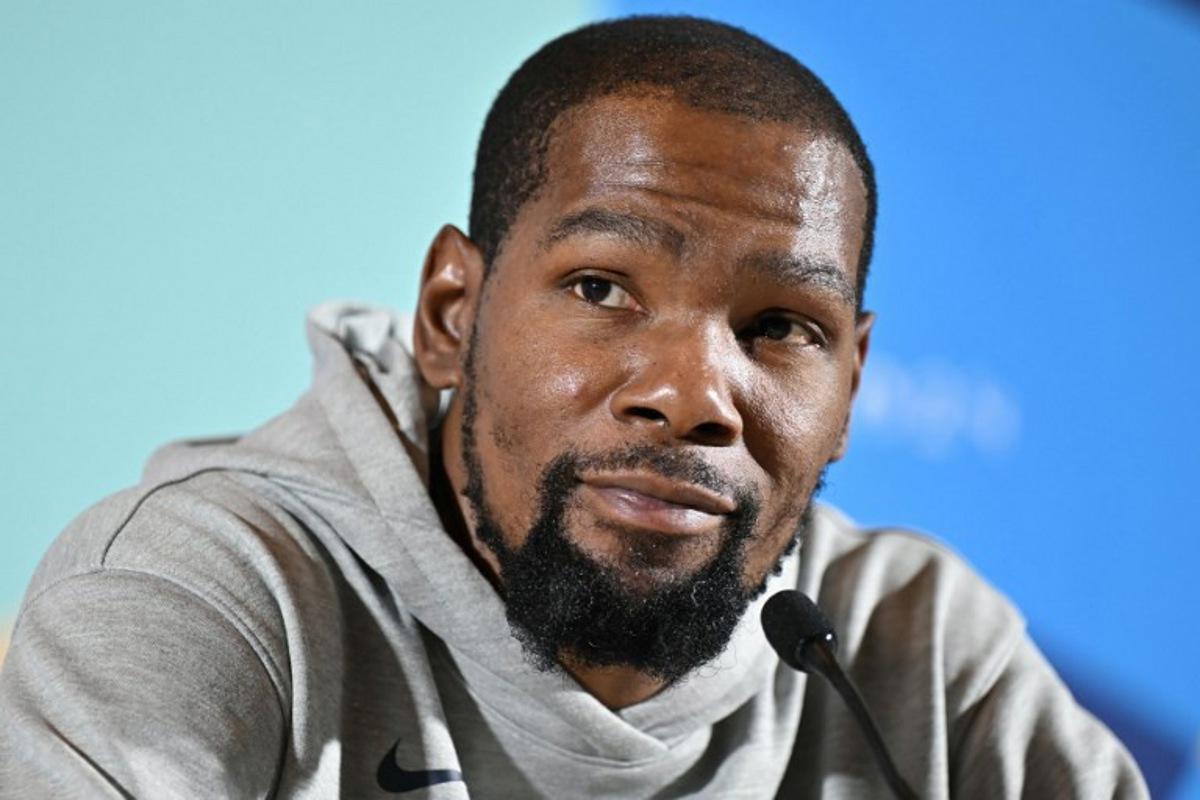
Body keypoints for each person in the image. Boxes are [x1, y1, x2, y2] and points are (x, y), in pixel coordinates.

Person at [0, 15, 1146, 799]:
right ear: (453, 312)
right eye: (603, 288)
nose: (692, 395)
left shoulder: (922, 655)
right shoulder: (201, 598)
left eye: (779, 327)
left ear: (850, 387)